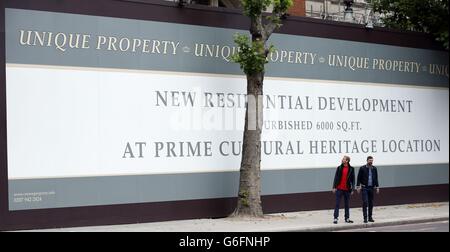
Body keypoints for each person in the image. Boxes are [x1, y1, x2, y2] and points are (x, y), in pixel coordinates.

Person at [332, 155, 355, 224]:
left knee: (347, 204)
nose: (342, 160)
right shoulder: (339, 168)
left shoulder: (351, 169)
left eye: (344, 159)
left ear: (347, 161)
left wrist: (352, 189)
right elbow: (336, 178)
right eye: (342, 159)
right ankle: (335, 218)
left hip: (347, 189)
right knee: (337, 204)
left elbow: (353, 179)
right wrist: (334, 187)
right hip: (339, 189)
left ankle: (347, 218)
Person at [357, 156, 380, 223]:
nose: (371, 161)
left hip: (371, 188)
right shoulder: (362, 168)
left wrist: (377, 187)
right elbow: (359, 177)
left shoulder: (374, 168)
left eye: (372, 160)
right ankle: (365, 218)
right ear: (367, 160)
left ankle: (370, 217)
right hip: (364, 187)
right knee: (365, 202)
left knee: (371, 203)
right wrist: (358, 186)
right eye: (370, 160)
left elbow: (376, 178)